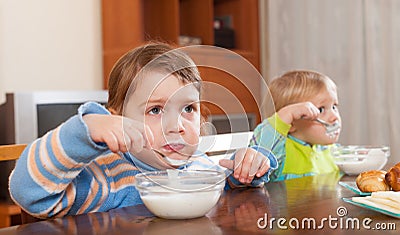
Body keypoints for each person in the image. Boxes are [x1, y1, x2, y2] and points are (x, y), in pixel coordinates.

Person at [9, 42, 277, 219]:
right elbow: (29, 193)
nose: (176, 127)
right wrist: (85, 131)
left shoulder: (201, 167)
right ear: (117, 120)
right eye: (155, 110)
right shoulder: (106, 179)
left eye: (188, 109)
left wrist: (247, 169)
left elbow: (230, 181)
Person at [250, 70, 341, 182]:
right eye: (321, 109)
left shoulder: (332, 151)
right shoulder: (280, 152)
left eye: (334, 107)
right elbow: (257, 156)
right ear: (292, 122)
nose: (334, 116)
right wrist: (285, 116)